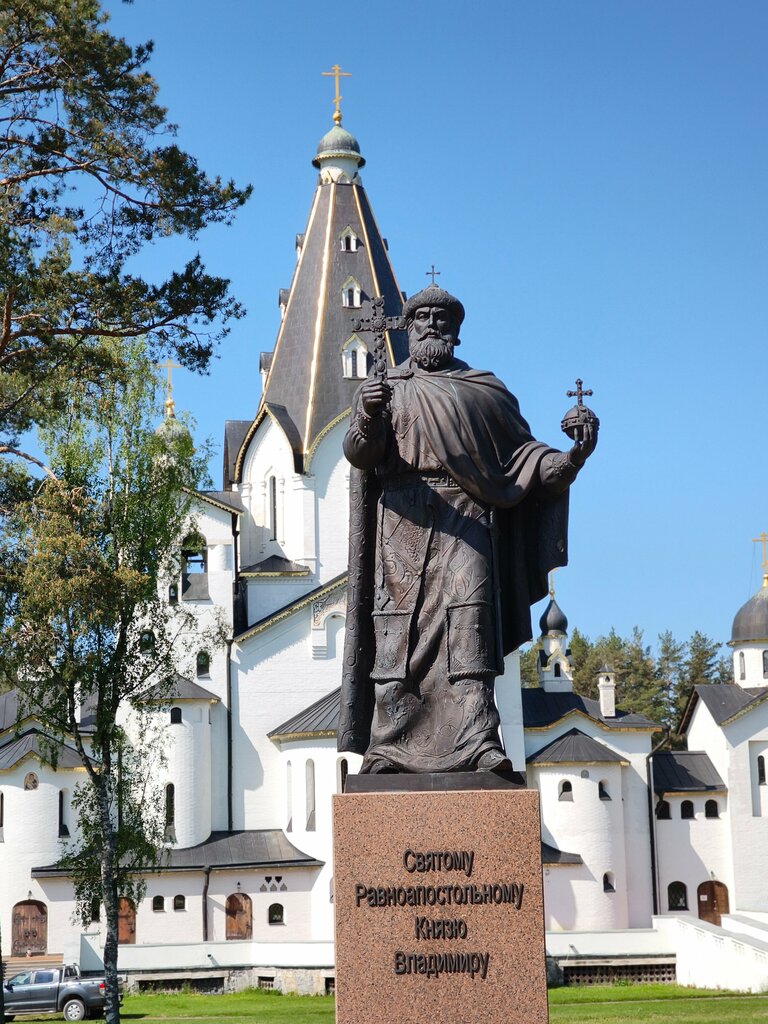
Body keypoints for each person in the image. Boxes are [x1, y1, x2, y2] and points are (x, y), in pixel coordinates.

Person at [338, 285, 597, 773]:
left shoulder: (484, 393)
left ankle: (479, 739)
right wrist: (368, 412)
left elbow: (529, 462)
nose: (432, 325)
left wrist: (575, 457)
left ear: (456, 331)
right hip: (403, 520)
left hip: (468, 518)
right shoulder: (384, 388)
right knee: (398, 630)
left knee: (470, 622)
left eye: (442, 318)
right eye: (422, 318)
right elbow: (359, 455)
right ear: (408, 328)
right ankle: (389, 744)